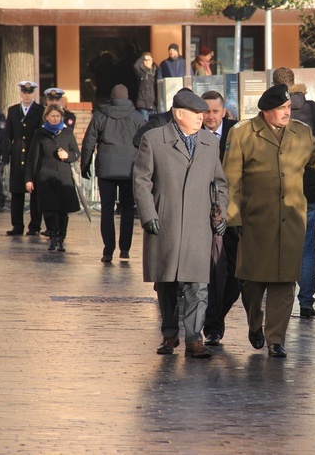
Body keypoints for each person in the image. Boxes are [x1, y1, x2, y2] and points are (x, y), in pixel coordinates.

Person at [224, 83, 315, 357]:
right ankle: (254, 324)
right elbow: (231, 180)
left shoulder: (301, 132)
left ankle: (275, 340)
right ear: (266, 111)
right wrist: (233, 219)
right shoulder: (242, 134)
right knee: (252, 282)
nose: (288, 112)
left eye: (288, 108)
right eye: (282, 108)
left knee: (284, 283)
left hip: (291, 221)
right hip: (256, 221)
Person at [133, 90, 228, 359]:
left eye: (203, 114)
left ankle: (195, 339)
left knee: (198, 284)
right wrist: (149, 214)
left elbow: (219, 183)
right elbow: (141, 180)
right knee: (166, 283)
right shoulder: (154, 139)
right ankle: (169, 334)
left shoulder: (210, 142)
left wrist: (222, 213)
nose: (202, 118)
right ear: (178, 114)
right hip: (167, 221)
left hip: (200, 222)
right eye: (196, 114)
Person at [271, 67, 315, 318]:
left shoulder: (271, 110)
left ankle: (276, 298)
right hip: (309, 188)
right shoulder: (313, 109)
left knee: (275, 244)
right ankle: (306, 302)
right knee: (306, 247)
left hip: (279, 189)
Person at [80, 85, 144, 262]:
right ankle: (125, 249)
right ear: (127, 97)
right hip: (130, 169)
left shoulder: (100, 116)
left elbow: (88, 142)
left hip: (106, 168)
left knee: (107, 210)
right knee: (128, 209)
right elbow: (146, 143)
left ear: (111, 97)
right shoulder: (137, 117)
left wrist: (85, 166)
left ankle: (108, 250)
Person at [199, 90, 239, 345]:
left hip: (234, 214)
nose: (210, 117)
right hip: (205, 215)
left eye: (215, 111)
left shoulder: (238, 132)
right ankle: (212, 326)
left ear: (224, 112)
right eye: (206, 111)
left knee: (235, 275)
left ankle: (217, 316)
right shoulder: (195, 133)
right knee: (213, 273)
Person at [25, 104, 80, 252]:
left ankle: (61, 238)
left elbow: (76, 153)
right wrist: (29, 179)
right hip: (45, 177)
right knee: (49, 210)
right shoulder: (40, 134)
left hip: (63, 178)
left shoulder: (67, 133)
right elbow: (32, 158)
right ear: (46, 117)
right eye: (52, 116)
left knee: (63, 211)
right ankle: (52, 237)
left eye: (57, 116)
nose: (55, 119)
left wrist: (68, 156)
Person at [3, 81, 45, 236]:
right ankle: (17, 225)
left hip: (33, 157)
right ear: (20, 93)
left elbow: (41, 134)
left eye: (30, 93)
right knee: (17, 193)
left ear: (33, 93)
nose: (27, 96)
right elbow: (8, 135)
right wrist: (6, 156)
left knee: (35, 194)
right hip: (17, 157)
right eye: (24, 93)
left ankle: (34, 226)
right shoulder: (13, 111)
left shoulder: (40, 110)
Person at [134, 52, 158, 120]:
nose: (147, 62)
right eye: (145, 60)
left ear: (152, 60)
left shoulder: (156, 71)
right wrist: (142, 57)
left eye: (148, 60)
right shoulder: (140, 72)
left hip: (153, 103)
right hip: (143, 103)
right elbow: (136, 66)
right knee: (144, 124)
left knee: (154, 125)